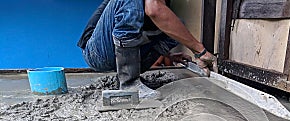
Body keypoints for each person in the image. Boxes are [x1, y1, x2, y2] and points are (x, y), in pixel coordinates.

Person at [77, 0, 217, 100]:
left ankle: (129, 75)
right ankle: (130, 84)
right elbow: (153, 9)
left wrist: (169, 55)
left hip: (115, 54)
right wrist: (200, 51)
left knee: (177, 26)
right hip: (96, 52)